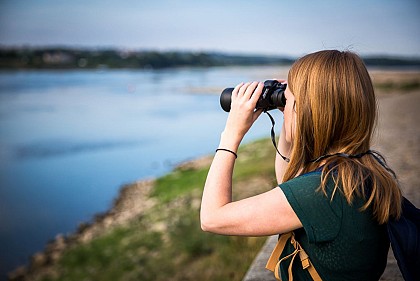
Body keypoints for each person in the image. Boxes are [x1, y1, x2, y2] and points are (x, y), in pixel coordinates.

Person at [200, 50, 402, 280]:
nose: (285, 105)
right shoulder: (360, 169)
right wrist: (289, 118)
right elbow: (289, 181)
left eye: (289, 101)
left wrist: (231, 135)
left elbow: (212, 218)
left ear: (310, 112)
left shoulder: (322, 191)